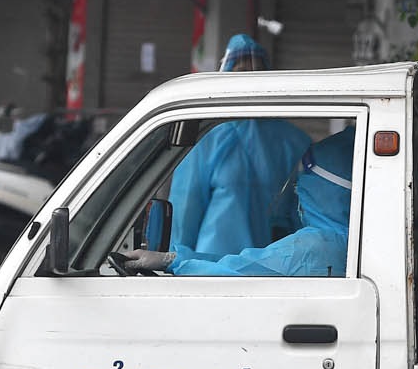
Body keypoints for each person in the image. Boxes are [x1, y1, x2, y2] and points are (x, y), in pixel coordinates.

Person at [123, 128, 355, 278]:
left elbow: (235, 271)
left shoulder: (310, 249)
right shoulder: (354, 241)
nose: (297, 189)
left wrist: (171, 259)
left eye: (306, 180)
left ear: (325, 189)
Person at [167, 36, 311, 255]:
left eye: (256, 73)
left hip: (270, 270)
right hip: (209, 269)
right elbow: (186, 209)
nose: (249, 80)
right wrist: (174, 261)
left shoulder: (293, 142)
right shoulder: (207, 139)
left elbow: (304, 216)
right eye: (242, 72)